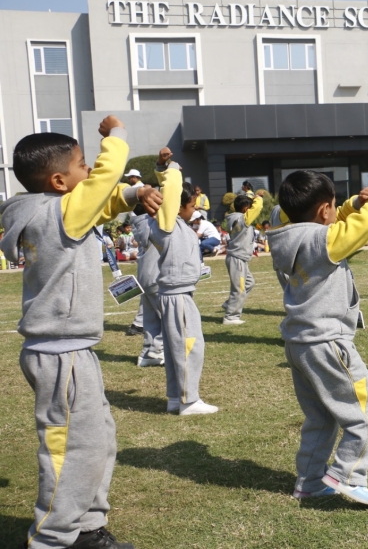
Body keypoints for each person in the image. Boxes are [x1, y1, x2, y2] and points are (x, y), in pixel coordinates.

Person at [0, 115, 161, 549]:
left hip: (70, 351)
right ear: (58, 181)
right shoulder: (60, 214)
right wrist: (115, 136)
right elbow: (105, 180)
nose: (89, 169)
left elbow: (103, 202)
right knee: (70, 451)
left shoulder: (53, 211)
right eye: (81, 164)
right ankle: (52, 539)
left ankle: (86, 530)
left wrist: (134, 194)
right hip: (60, 354)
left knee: (97, 442)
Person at [269, 170, 368, 506]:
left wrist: (352, 203)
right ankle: (347, 474)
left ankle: (310, 482)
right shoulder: (323, 242)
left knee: (321, 417)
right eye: (334, 205)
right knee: (367, 409)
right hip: (327, 342)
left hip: (299, 343)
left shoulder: (284, 233)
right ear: (324, 209)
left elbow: (332, 219)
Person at [149, 152, 218, 416]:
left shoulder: (175, 224)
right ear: (177, 206)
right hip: (177, 296)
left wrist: (162, 167)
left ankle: (176, 398)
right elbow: (170, 193)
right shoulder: (167, 225)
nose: (195, 210)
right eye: (191, 206)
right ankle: (189, 400)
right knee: (190, 346)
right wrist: (173, 169)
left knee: (175, 347)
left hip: (178, 294)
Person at [223, 190, 266, 325]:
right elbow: (257, 208)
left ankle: (230, 303)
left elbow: (249, 205)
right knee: (239, 288)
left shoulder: (235, 218)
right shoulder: (242, 220)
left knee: (248, 283)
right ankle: (231, 317)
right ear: (246, 209)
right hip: (238, 258)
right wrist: (258, 198)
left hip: (238, 258)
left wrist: (252, 196)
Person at [131, 204, 164, 368]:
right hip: (157, 276)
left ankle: (146, 355)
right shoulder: (153, 224)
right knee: (169, 317)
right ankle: (159, 349)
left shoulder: (138, 224)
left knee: (151, 321)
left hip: (144, 277)